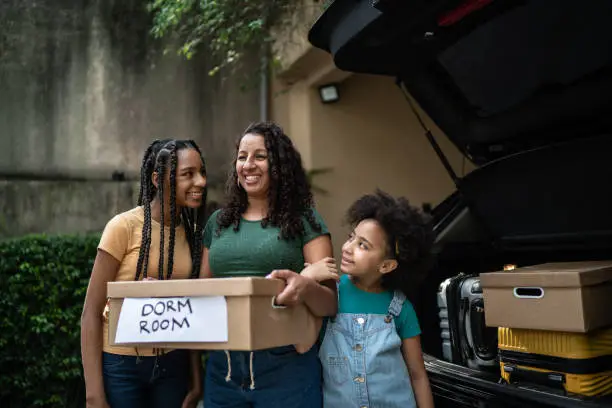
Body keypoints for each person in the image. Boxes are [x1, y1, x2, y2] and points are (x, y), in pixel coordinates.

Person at [200, 122, 337, 408]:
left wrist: (304, 285)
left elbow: (329, 304)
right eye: (242, 156)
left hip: (287, 365)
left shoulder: (305, 220)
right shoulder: (218, 223)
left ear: (280, 165)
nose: (248, 165)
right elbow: (203, 294)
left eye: (259, 156)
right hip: (223, 367)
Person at [80, 139, 208, 408]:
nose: (200, 182)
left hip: (174, 364)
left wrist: (196, 380)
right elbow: (91, 312)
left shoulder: (195, 237)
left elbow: (191, 312)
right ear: (157, 179)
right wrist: (94, 395)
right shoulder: (123, 227)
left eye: (201, 173)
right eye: (188, 174)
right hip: (121, 365)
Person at [304, 189, 435, 408]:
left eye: (362, 245)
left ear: (386, 266)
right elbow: (302, 344)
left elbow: (418, 375)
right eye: (351, 238)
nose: (347, 248)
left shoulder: (400, 307)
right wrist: (307, 281)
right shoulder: (329, 294)